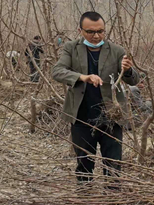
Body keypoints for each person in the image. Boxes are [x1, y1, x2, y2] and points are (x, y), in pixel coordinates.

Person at [52, 11, 140, 184]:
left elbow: (134, 79)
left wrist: (128, 70)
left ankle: (112, 197)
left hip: (111, 118)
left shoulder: (116, 51)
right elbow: (57, 71)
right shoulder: (71, 48)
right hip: (82, 117)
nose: (96, 35)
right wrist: (83, 77)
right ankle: (86, 196)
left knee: (113, 165)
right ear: (80, 30)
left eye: (100, 31)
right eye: (90, 32)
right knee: (84, 165)